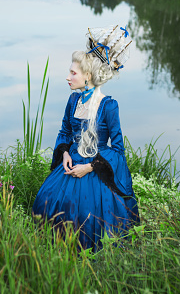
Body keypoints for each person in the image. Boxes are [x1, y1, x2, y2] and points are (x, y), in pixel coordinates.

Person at [32, 25, 140, 251]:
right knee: (48, 203)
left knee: (87, 216)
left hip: (93, 169)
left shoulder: (109, 106)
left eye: (73, 73)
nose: (68, 77)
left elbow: (118, 149)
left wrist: (90, 167)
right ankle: (54, 248)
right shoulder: (73, 101)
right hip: (70, 165)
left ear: (88, 76)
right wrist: (63, 154)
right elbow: (64, 132)